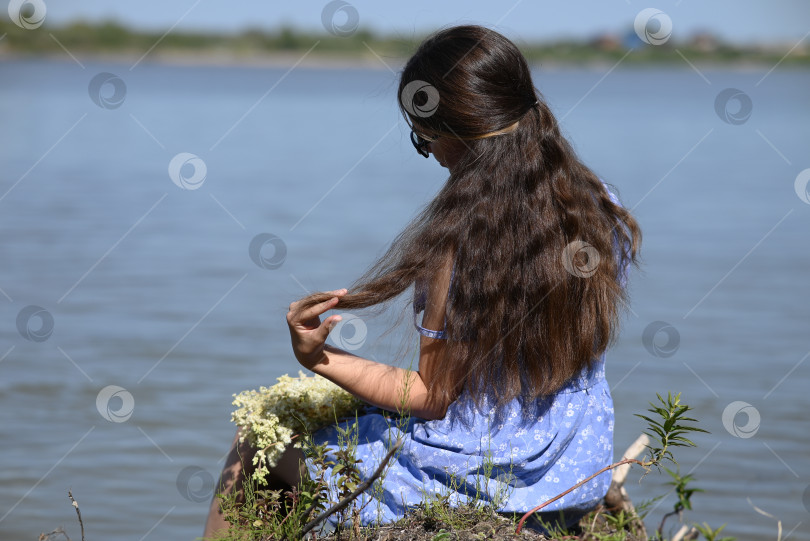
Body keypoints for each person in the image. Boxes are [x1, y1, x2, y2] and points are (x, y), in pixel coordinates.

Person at [204, 24, 641, 538]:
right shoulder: (600, 207)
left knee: (257, 443)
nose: (429, 152)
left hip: (479, 474)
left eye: (424, 135)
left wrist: (318, 358)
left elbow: (432, 396)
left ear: (459, 129)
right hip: (575, 465)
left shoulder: (459, 246)